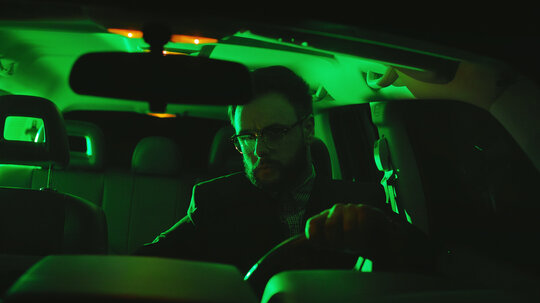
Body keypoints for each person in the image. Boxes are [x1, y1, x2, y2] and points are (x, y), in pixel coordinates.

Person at [135, 66, 440, 283]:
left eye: (275, 132)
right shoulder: (213, 202)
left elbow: (426, 266)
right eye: (248, 137)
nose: (260, 149)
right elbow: (145, 265)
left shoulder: (361, 204)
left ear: (307, 130)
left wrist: (380, 231)